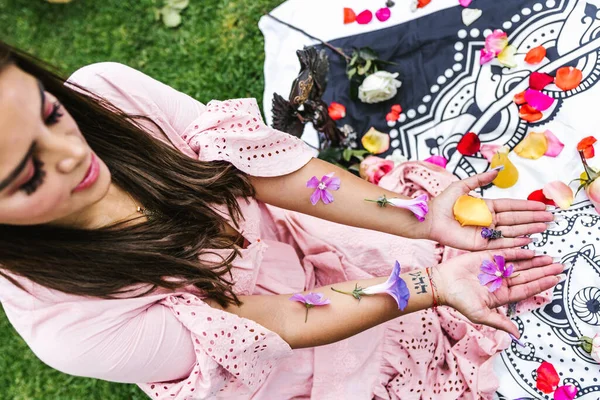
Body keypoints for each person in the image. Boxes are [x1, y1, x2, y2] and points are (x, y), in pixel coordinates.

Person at [0, 41, 562, 400]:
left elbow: (265, 172)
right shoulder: (70, 329)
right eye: (27, 176)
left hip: (306, 246)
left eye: (52, 113)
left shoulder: (106, 93)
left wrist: (418, 218)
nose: (71, 154)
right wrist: (429, 284)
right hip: (288, 366)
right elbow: (282, 323)